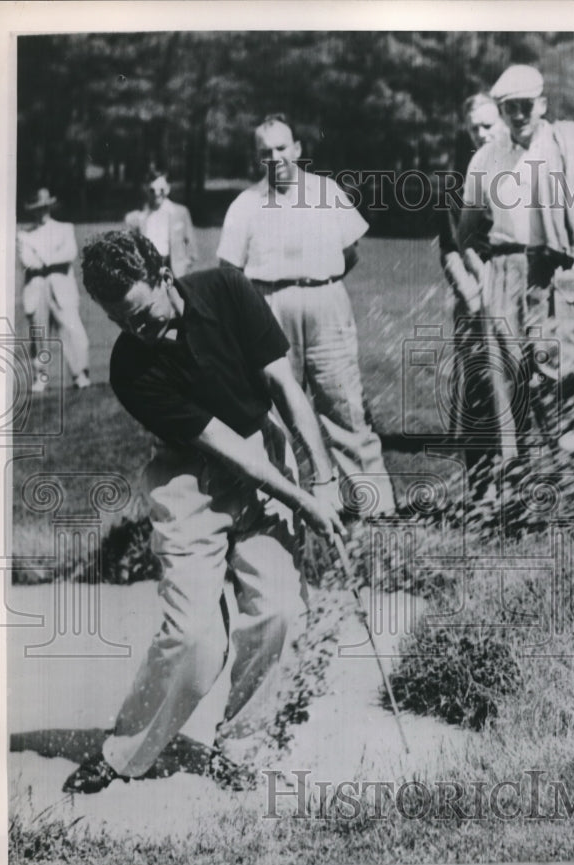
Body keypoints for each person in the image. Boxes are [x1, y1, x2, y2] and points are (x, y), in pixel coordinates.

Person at [63, 229, 344, 794]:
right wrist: (302, 502)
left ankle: (244, 743)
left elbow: (286, 389)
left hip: (262, 456)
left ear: (165, 276)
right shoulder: (129, 369)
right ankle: (124, 752)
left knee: (280, 610)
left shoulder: (227, 289)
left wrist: (324, 478)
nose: (143, 332)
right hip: (190, 479)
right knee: (194, 636)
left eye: (146, 314)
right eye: (126, 324)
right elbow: (225, 449)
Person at [217, 113, 395, 517]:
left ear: (297, 150)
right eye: (265, 152)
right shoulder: (245, 205)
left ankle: (376, 507)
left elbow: (349, 253)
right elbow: (230, 273)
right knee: (276, 410)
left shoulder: (326, 192)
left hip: (325, 302)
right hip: (269, 307)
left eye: (282, 148)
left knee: (344, 404)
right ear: (255, 159)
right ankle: (288, 509)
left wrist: (315, 284)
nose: (275, 158)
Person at [459, 65, 574, 504]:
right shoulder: (487, 157)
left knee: (557, 381)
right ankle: (523, 494)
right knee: (511, 387)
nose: (518, 115)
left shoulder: (567, 147)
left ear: (542, 104)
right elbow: (467, 233)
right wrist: (485, 277)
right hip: (505, 274)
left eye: (525, 106)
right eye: (510, 109)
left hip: (553, 274)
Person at [438, 94, 509, 493]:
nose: (482, 134)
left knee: (522, 385)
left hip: (515, 293)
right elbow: (449, 250)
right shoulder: (455, 181)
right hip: (474, 296)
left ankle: (518, 485)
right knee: (481, 389)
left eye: (488, 125)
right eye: (475, 127)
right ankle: (482, 488)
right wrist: (476, 298)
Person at [17, 188, 90, 391]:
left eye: (45, 207)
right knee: (39, 335)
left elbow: (69, 254)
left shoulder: (65, 228)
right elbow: (29, 262)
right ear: (32, 211)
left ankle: (80, 374)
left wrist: (44, 256)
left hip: (61, 287)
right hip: (37, 287)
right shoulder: (25, 235)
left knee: (72, 330)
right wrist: (50, 256)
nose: (42, 212)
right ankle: (41, 377)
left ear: (50, 207)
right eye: (37, 209)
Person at [125, 169, 197, 278]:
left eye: (161, 190)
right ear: (146, 189)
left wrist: (185, 264)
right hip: (149, 271)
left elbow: (191, 245)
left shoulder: (180, 212)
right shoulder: (139, 217)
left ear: (168, 189)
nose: (157, 194)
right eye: (152, 190)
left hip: (175, 270)